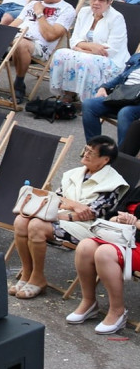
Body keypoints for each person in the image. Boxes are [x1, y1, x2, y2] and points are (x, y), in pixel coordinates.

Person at [11, 136, 127, 300]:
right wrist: (74, 205)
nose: (85, 154)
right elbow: (56, 199)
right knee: (21, 221)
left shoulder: (113, 183)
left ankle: (37, 278)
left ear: (105, 160)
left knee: (36, 225)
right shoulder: (74, 173)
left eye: (91, 153)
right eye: (86, 149)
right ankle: (27, 274)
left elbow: (92, 214)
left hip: (90, 229)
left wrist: (63, 211)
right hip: (63, 219)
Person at [67, 186, 140, 334]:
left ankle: (117, 311)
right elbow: (111, 215)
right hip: (122, 238)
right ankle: (89, 302)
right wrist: (120, 219)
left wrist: (135, 223)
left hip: (136, 243)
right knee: (85, 247)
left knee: (104, 253)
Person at [49, 0, 128, 103]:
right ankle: (68, 93)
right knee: (60, 53)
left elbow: (111, 49)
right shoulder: (84, 12)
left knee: (87, 61)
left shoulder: (116, 18)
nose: (96, 3)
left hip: (113, 61)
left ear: (109, 2)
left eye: (101, 0)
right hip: (85, 54)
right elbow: (74, 39)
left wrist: (81, 49)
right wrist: (88, 46)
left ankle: (89, 101)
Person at [7, 0, 76, 101]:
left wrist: (40, 13)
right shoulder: (32, 4)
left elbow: (50, 36)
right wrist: (0, 34)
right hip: (17, 37)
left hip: (39, 46)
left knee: (20, 44)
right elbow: (15, 24)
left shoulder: (67, 9)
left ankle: (19, 84)